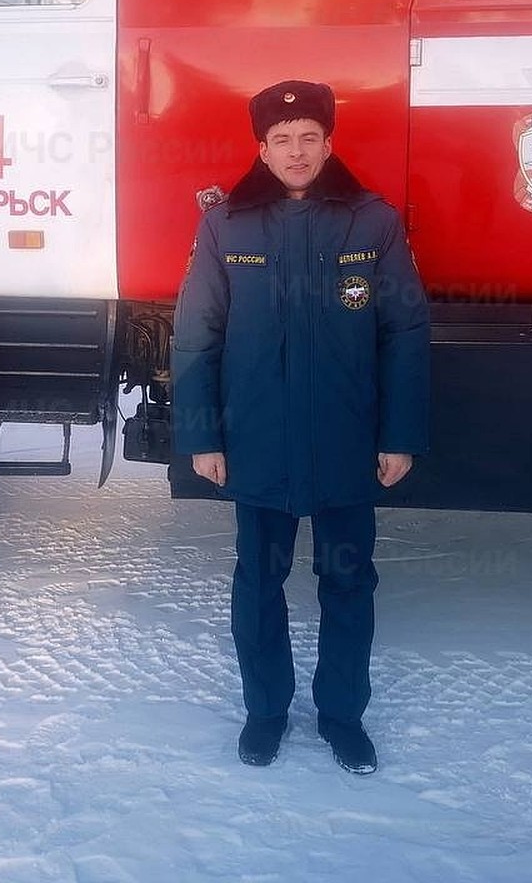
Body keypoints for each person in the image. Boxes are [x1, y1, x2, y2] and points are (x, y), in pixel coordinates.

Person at [171, 79, 430, 772]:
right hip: (257, 442)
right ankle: (266, 712)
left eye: (308, 138)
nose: (296, 150)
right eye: (281, 140)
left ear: (328, 144)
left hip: (347, 441)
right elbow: (197, 335)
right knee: (258, 580)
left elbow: (404, 331)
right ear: (262, 149)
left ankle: (343, 716)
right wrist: (202, 437)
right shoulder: (226, 224)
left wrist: (398, 435)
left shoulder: (370, 221)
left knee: (348, 582)